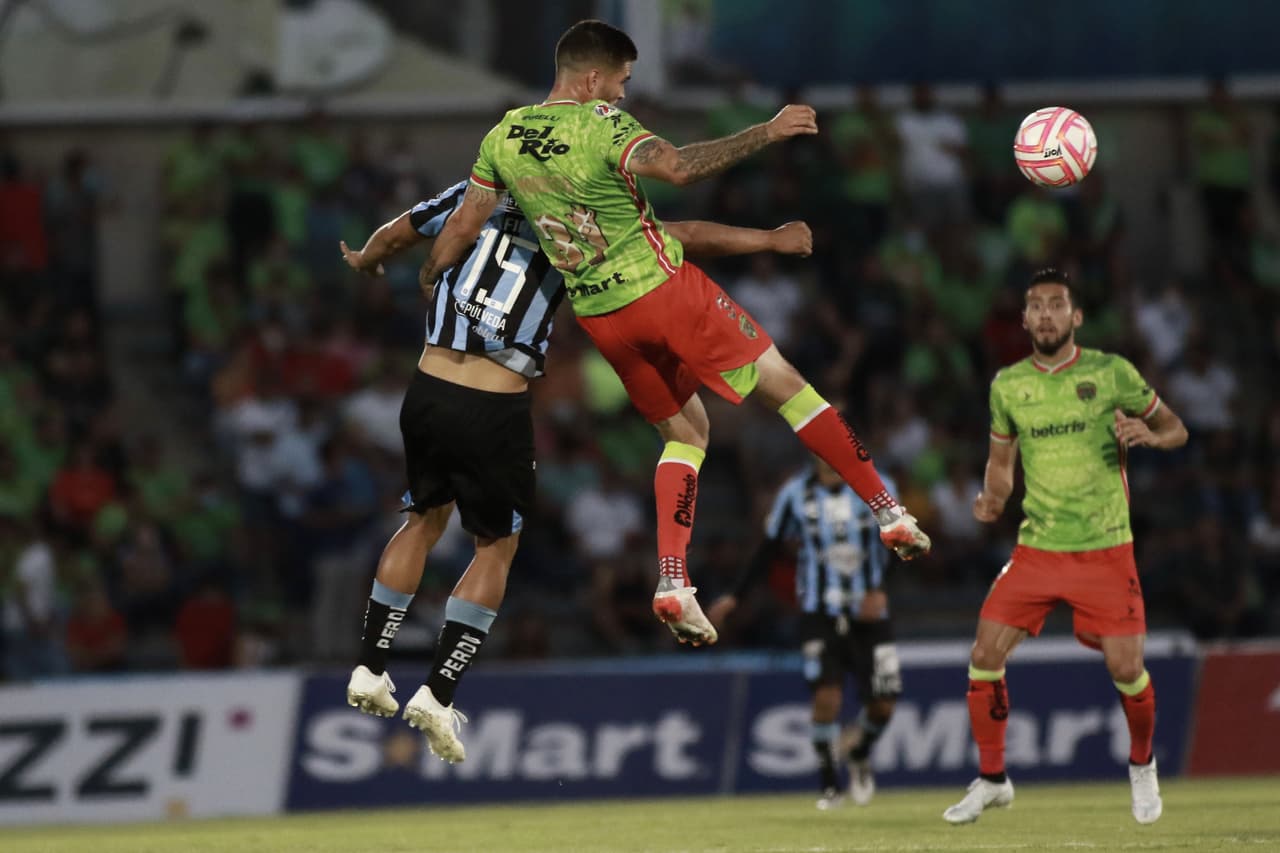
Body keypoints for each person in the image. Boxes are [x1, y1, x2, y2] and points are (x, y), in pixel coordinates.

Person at [412, 19, 931, 651]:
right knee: (789, 387)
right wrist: (767, 130)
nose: (625, 95)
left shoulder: (506, 133)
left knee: (686, 434)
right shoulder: (601, 124)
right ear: (594, 77)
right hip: (662, 292)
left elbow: (467, 219)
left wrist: (435, 266)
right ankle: (887, 510)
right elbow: (681, 169)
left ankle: (674, 582)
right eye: (623, 82)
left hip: (603, 318)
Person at [339, 178, 815, 763]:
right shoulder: (576, 220)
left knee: (422, 521)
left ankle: (369, 665)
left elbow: (395, 234)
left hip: (427, 387)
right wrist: (765, 239)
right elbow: (680, 237)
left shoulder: (474, 192)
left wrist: (366, 259)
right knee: (496, 545)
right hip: (494, 398)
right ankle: (437, 693)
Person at [942, 269, 1188, 826]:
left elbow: (1177, 428)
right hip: (1038, 548)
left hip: (1106, 549)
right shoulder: (1008, 385)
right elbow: (1000, 466)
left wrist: (1152, 435)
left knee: (1128, 669)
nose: (1047, 314)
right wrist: (993, 499)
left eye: (1057, 305)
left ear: (1076, 317)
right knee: (984, 657)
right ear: (1025, 319)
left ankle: (1142, 764)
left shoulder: (1111, 372)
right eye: (1037, 306)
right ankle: (992, 779)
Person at [708, 454, 900, 810]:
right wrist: (735, 597)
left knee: (883, 705)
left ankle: (859, 752)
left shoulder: (880, 486)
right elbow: (768, 548)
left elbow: (904, 543)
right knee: (826, 697)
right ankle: (829, 786)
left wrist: (881, 589)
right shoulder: (795, 494)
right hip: (818, 611)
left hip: (870, 613)